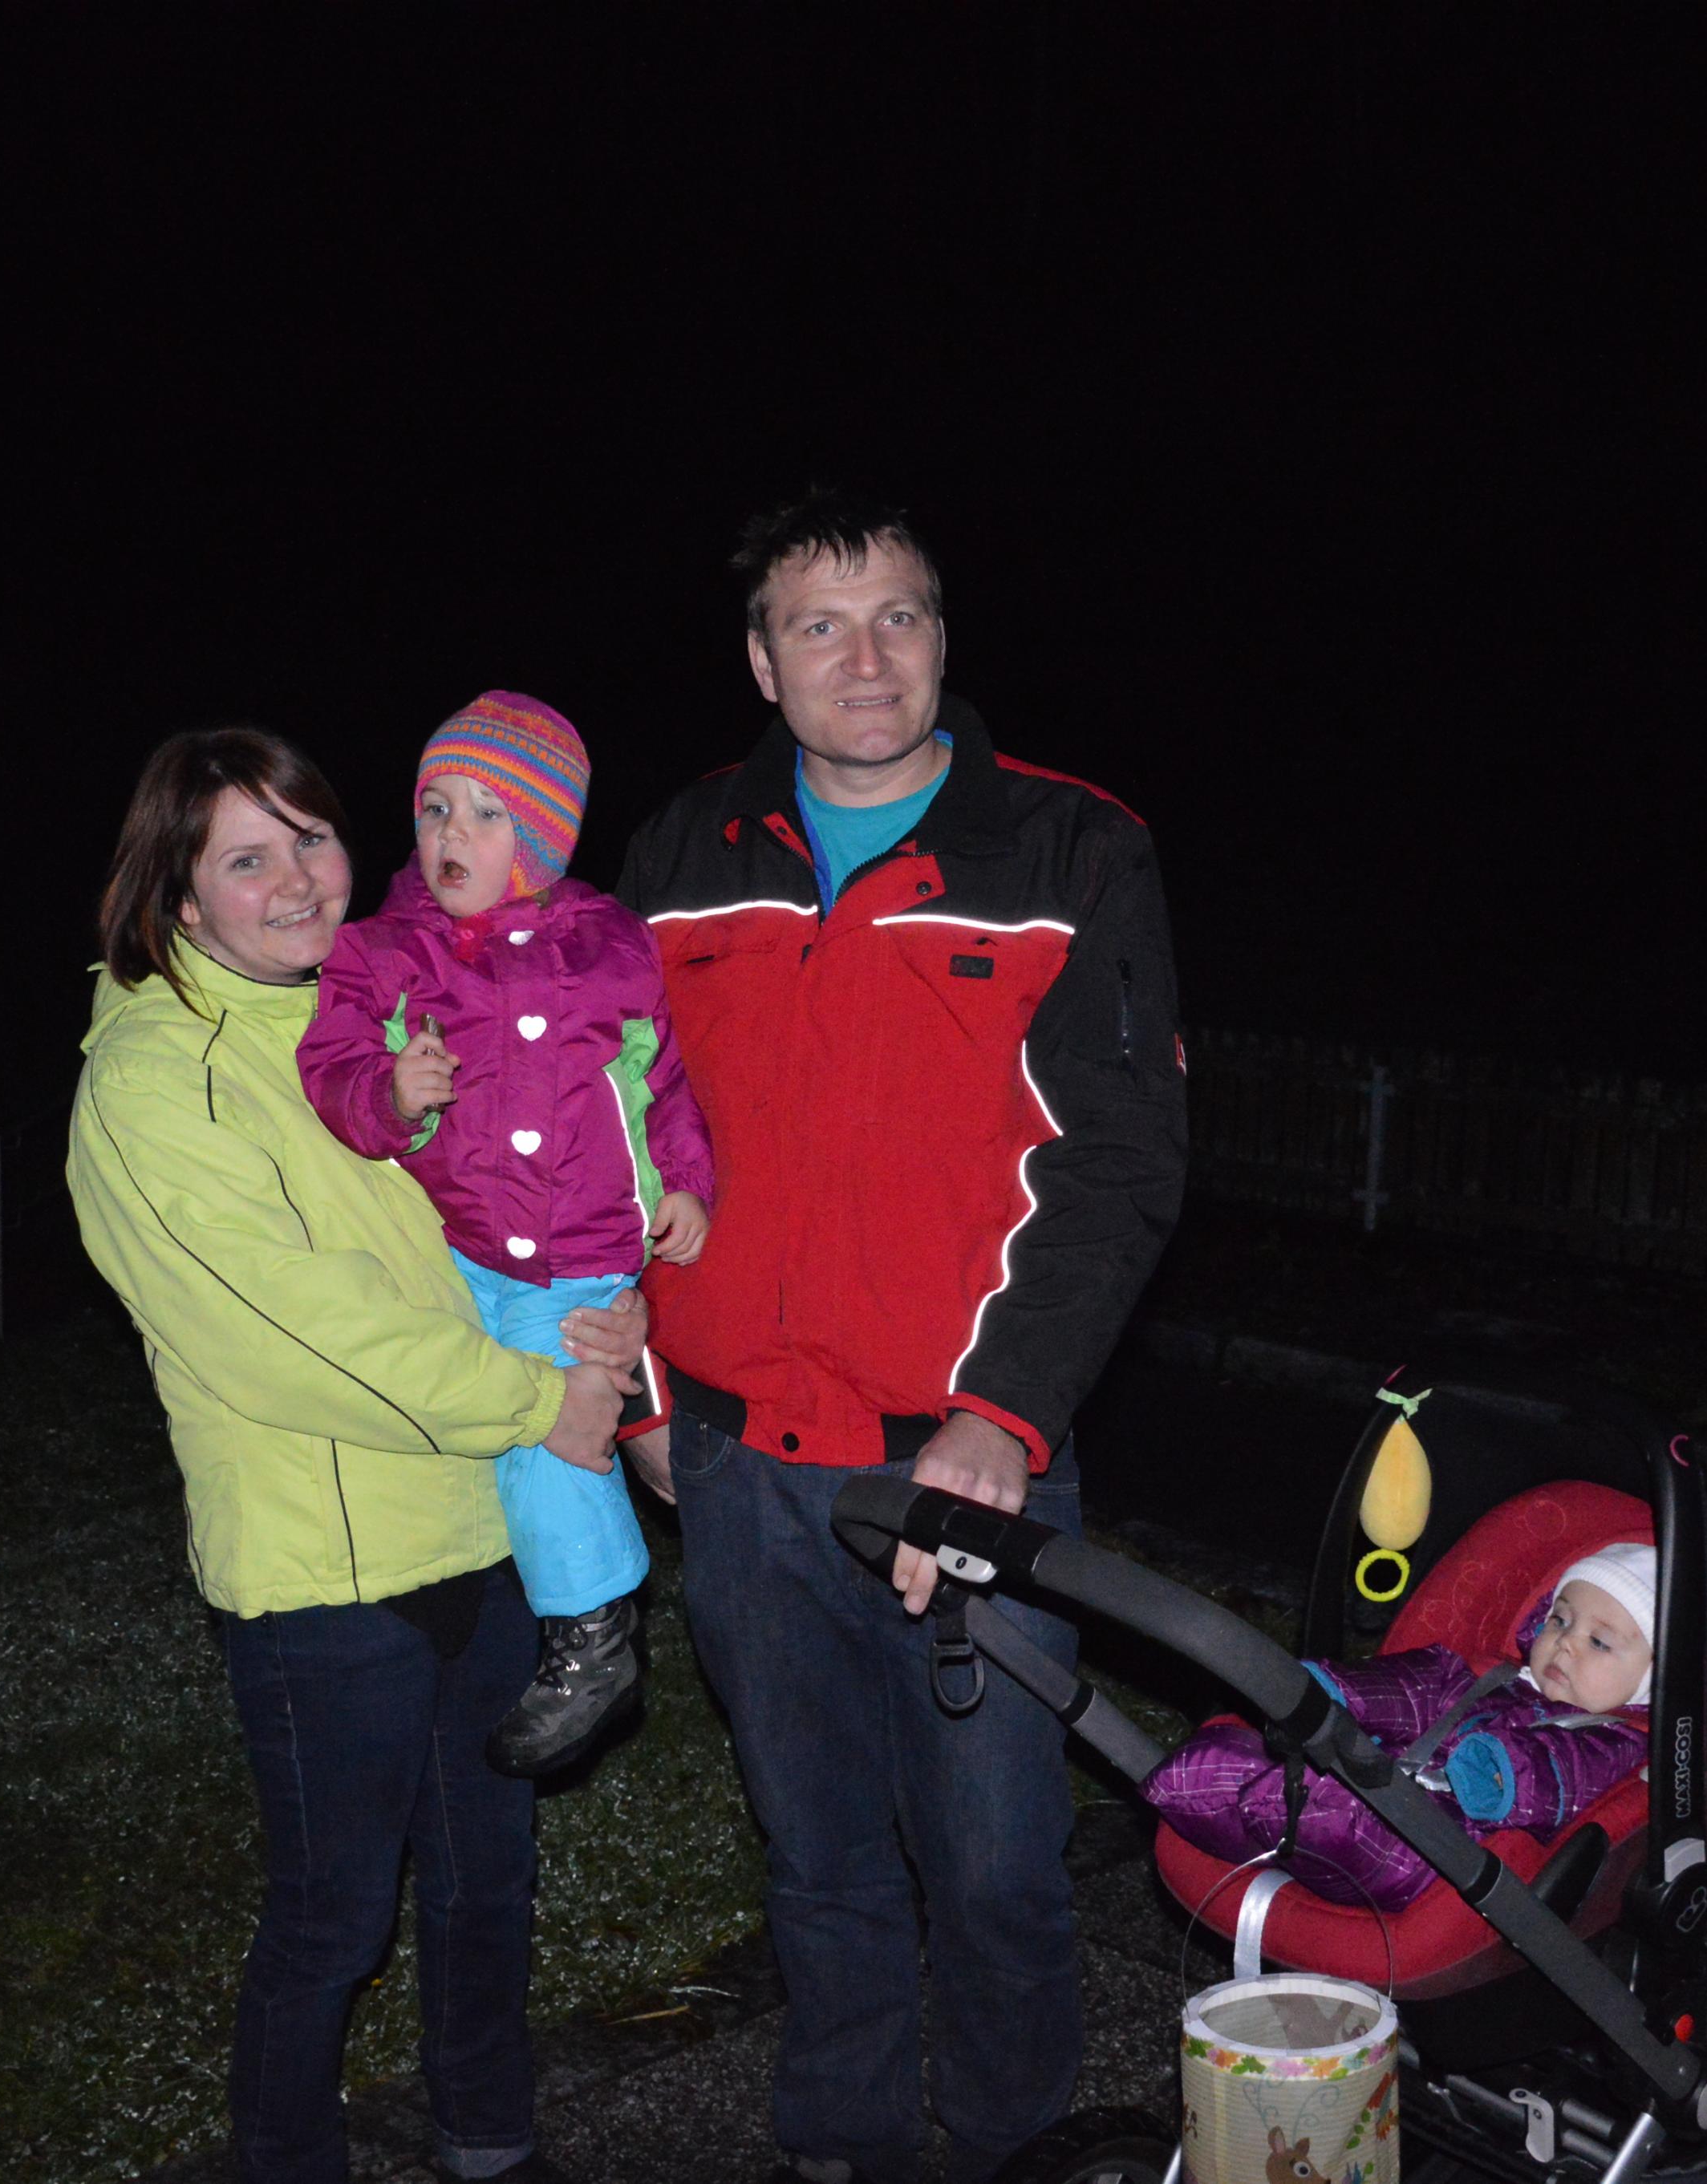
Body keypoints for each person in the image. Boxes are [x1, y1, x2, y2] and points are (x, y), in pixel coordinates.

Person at [616, 492, 1189, 2184]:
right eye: (819, 622)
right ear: (759, 659)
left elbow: (1118, 1163)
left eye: (900, 617)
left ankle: (1011, 2140)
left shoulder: (1072, 849)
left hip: (964, 1471)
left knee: (997, 1861)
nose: (865, 659)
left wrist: (1004, 1413)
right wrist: (641, 1397)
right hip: (734, 1464)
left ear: (943, 635)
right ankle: (843, 2137)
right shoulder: (676, 852)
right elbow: (603, 1144)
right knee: (815, 1856)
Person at [66, 727, 639, 2184]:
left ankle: (491, 2143)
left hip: (484, 1525)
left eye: (311, 838)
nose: (298, 880)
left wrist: (611, 1294)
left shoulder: (376, 1002)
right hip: (327, 1576)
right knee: (334, 1921)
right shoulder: (154, 1082)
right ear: (179, 895)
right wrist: (541, 1402)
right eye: (246, 858)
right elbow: (295, 1328)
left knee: (486, 1884)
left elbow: (526, 1193)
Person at [296, 691, 715, 1776]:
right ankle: (463, 1624)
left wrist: (686, 1182)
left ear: (543, 838)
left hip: (575, 1247)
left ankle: (594, 1630)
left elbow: (661, 1078)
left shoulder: (613, 944)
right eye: (436, 806)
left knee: (548, 1423)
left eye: (489, 814)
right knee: (463, 1423)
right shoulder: (382, 949)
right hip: (446, 1247)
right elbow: (330, 1066)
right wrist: (389, 1092)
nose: (452, 834)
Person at [1142, 1545, 1659, 1910]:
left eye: (1599, 1642)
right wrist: (1327, 1693)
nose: (1566, 1643)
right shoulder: (1493, 1679)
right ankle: (1199, 1784)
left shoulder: (1614, 1743)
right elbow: (1414, 1689)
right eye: (1561, 1621)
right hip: (1382, 1786)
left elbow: (1561, 1776)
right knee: (1211, 1763)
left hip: (1436, 1855)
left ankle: (1282, 1806)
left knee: (1325, 1808)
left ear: (1649, 1679)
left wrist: (1498, 1773)